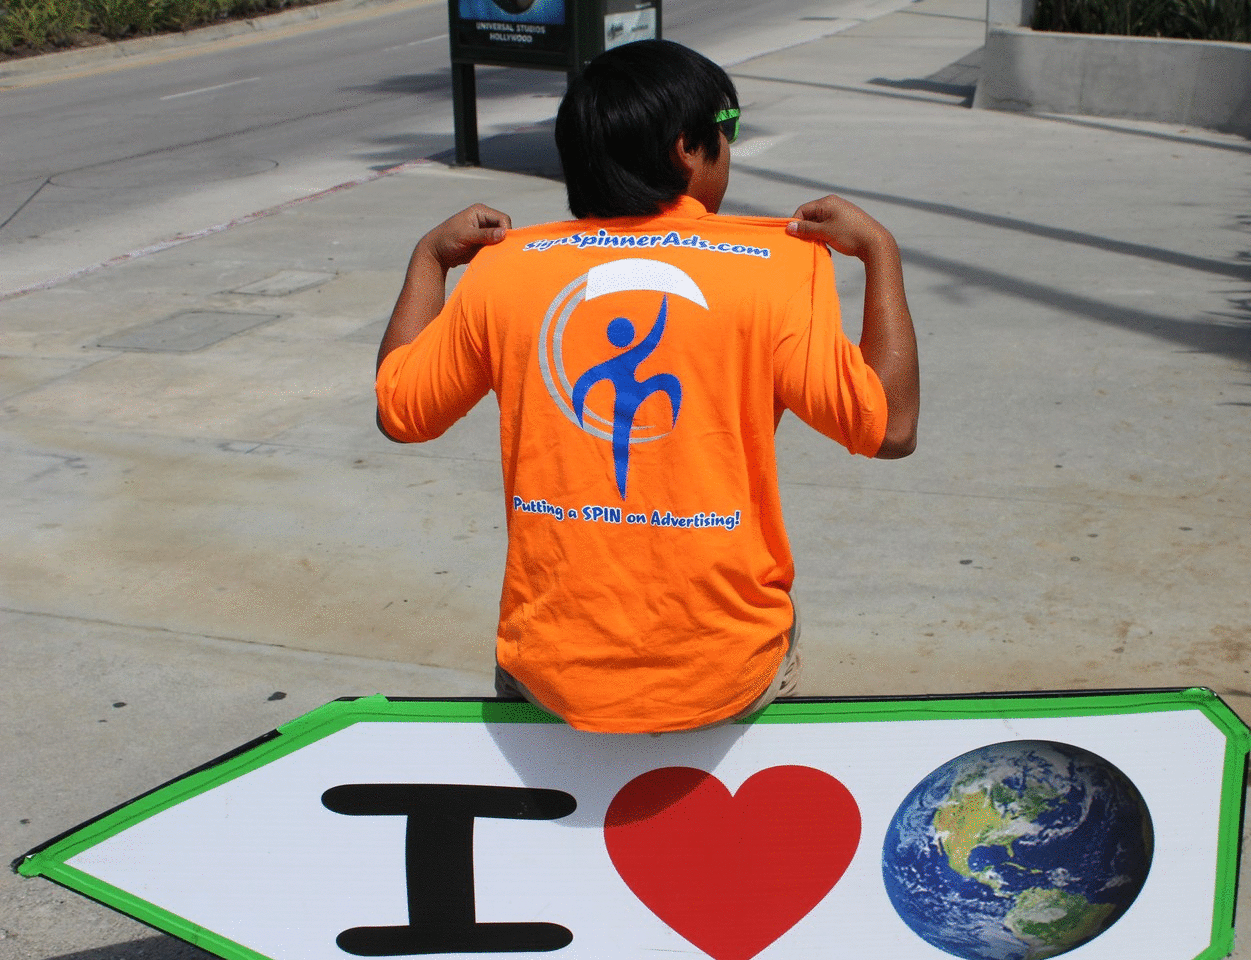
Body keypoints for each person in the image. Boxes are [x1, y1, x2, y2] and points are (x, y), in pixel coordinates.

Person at [375, 39, 918, 733]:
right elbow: (890, 428)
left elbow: (400, 411)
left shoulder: (504, 271)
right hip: (723, 672)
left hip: (553, 674)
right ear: (687, 149)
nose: (730, 148)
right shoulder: (778, 270)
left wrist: (429, 258)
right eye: (728, 129)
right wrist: (880, 252)